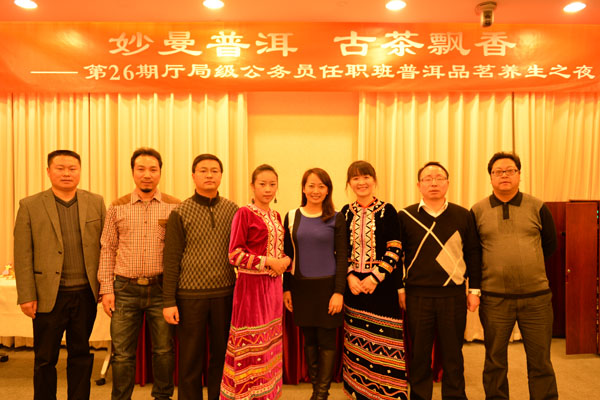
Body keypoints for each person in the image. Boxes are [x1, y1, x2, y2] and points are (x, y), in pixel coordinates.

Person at [14, 149, 106, 400]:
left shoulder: (95, 202)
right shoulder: (30, 205)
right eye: (60, 168)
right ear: (48, 171)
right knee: (45, 358)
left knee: (81, 354)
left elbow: (106, 247)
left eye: (72, 168)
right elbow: (22, 253)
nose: (67, 173)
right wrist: (26, 295)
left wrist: (105, 287)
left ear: (80, 171)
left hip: (85, 294)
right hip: (48, 295)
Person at [471, 151, 558, 400]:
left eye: (510, 170)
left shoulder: (537, 207)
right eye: (498, 171)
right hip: (495, 299)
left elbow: (549, 245)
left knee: (540, 360)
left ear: (519, 174)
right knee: (494, 360)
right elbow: (474, 253)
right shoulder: (477, 210)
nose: (504, 175)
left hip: (536, 298)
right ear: (490, 177)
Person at [98, 147, 180, 400]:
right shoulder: (117, 206)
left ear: (160, 173)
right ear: (133, 172)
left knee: (164, 351)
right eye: (141, 169)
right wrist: (106, 289)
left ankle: (162, 397)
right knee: (122, 353)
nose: (147, 174)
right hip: (125, 289)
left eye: (153, 169)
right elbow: (107, 248)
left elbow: (181, 251)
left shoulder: (175, 206)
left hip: (162, 290)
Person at [397, 161, 481, 400]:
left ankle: (455, 396)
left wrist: (474, 290)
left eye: (439, 178)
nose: (433, 183)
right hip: (417, 295)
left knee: (453, 353)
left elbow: (473, 253)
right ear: (419, 185)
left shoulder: (463, 215)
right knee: (420, 354)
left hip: (452, 295)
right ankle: (420, 397)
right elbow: (396, 255)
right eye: (427, 178)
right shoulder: (405, 216)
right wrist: (400, 289)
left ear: (447, 183)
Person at [162, 154, 238, 400]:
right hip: (189, 296)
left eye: (214, 170)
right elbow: (171, 259)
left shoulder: (234, 210)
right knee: (190, 359)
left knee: (222, 356)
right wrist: (168, 301)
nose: (209, 175)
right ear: (193, 176)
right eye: (203, 171)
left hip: (225, 293)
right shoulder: (180, 212)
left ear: (221, 176)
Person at [220, 164, 291, 400]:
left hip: (273, 288)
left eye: (272, 184)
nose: (268, 189)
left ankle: (267, 393)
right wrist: (268, 261)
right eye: (262, 184)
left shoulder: (276, 216)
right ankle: (248, 394)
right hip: (251, 289)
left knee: (269, 341)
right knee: (251, 343)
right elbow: (234, 255)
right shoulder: (244, 213)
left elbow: (279, 252)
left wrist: (284, 260)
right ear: (252, 186)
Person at [341, 160, 408, 400]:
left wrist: (375, 277)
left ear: (374, 180)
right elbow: (339, 249)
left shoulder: (388, 210)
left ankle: (386, 392)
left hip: (382, 286)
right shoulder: (345, 212)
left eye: (366, 177)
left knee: (385, 340)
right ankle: (358, 389)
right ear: (349, 183)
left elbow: (395, 248)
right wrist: (349, 275)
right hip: (353, 288)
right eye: (356, 178)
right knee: (357, 339)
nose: (361, 182)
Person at [282, 168, 348, 400]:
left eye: (321, 186)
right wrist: (287, 288)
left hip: (328, 289)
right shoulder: (292, 216)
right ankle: (315, 390)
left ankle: (322, 394)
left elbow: (342, 257)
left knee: (327, 342)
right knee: (309, 341)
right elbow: (287, 255)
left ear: (328, 190)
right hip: (301, 288)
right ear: (303, 188)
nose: (316, 190)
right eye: (311, 185)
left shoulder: (337, 217)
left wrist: (339, 292)